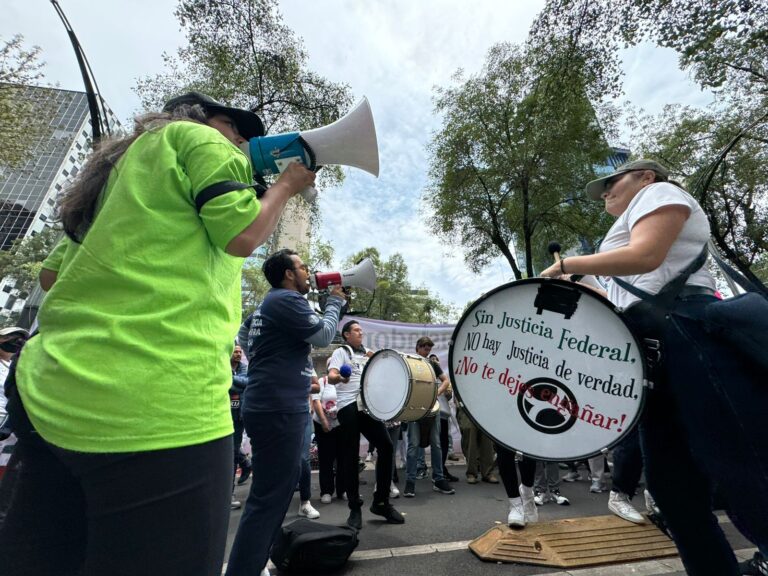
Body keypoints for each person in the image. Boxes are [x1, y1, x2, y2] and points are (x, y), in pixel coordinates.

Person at [0, 92, 315, 576]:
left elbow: (51, 278)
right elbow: (242, 233)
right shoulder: (196, 138)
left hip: (50, 390)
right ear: (205, 119)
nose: (243, 141)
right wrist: (288, 185)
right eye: (236, 129)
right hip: (156, 400)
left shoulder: (113, 176)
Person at [540, 159, 768, 575]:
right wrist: (580, 284)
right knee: (673, 490)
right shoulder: (624, 225)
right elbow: (627, 300)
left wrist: (569, 264)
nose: (606, 191)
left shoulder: (658, 193)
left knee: (738, 467)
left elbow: (646, 256)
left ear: (646, 176)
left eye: (613, 182)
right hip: (649, 347)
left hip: (688, 330)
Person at [225, 249, 345, 576]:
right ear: (289, 274)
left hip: (270, 403)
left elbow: (245, 335)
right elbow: (322, 335)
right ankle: (245, 568)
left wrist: (271, 362)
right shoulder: (286, 299)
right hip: (280, 407)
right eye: (302, 267)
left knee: (273, 493)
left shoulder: (268, 304)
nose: (308, 272)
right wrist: (334, 302)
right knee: (268, 498)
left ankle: (254, 560)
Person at [327, 320, 405, 530]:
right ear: (346, 335)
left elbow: (383, 367)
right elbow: (332, 376)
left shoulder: (368, 353)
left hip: (366, 406)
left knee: (387, 446)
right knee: (350, 455)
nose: (360, 333)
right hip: (348, 406)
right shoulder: (341, 352)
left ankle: (381, 502)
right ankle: (354, 508)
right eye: (356, 330)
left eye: (361, 330)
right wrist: (340, 378)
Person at [403, 337, 455, 497]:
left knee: (437, 445)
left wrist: (435, 394)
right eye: (424, 348)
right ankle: (410, 482)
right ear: (417, 348)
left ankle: (438, 479)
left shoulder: (433, 364)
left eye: (429, 348)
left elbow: (445, 381)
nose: (427, 351)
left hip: (432, 409)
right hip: (414, 409)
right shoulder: (409, 362)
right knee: (413, 446)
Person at [428, 353, 459, 483]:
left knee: (444, 444)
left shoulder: (443, 378)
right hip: (436, 413)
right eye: (433, 361)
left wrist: (447, 391)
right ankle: (438, 472)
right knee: (438, 444)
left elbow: (449, 397)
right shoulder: (429, 377)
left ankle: (442, 469)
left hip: (444, 413)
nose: (436, 363)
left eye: (437, 361)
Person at [229, 345, 251, 508]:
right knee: (230, 454)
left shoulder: (245, 368)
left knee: (232, 455)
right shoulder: (223, 366)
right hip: (222, 415)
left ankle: (229, 494)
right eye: (235, 351)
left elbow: (246, 383)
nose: (237, 354)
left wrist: (227, 379)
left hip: (238, 418)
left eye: (239, 352)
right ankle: (245, 462)